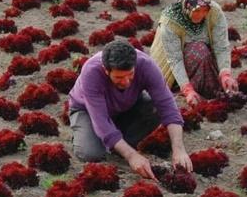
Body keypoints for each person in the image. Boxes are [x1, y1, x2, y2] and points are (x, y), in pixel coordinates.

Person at [67, 38, 192, 180]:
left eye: (130, 75)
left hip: (126, 107)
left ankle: (119, 144)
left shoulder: (146, 65)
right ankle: (88, 134)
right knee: (91, 154)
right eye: (119, 77)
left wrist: (179, 149)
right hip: (87, 111)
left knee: (155, 107)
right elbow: (100, 120)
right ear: (106, 70)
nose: (126, 81)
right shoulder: (91, 72)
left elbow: (168, 106)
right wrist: (132, 156)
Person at [151, 0, 238, 106]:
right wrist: (187, 89)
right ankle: (196, 90)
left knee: (204, 52)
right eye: (196, 10)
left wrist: (225, 74)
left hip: (206, 57)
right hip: (177, 66)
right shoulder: (170, 22)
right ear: (187, 6)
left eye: (205, 10)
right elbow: (175, 60)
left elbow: (221, 46)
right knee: (199, 51)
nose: (201, 14)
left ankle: (212, 87)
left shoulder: (215, 13)